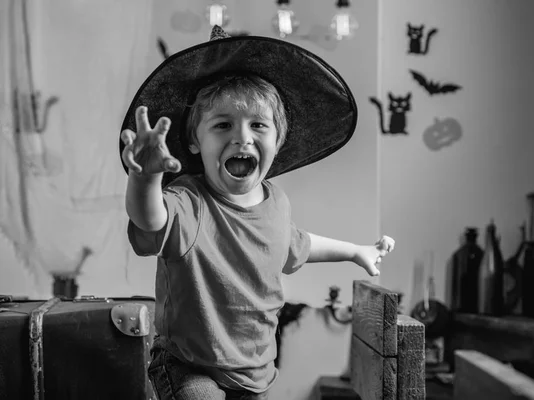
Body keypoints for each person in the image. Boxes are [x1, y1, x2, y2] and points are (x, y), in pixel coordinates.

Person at [119, 26, 395, 400]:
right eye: (223, 125)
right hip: (190, 366)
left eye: (258, 125)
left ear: (277, 141)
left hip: (255, 373)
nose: (242, 137)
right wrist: (147, 179)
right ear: (196, 141)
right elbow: (151, 220)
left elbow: (298, 244)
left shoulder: (276, 204)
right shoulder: (189, 200)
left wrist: (355, 251)